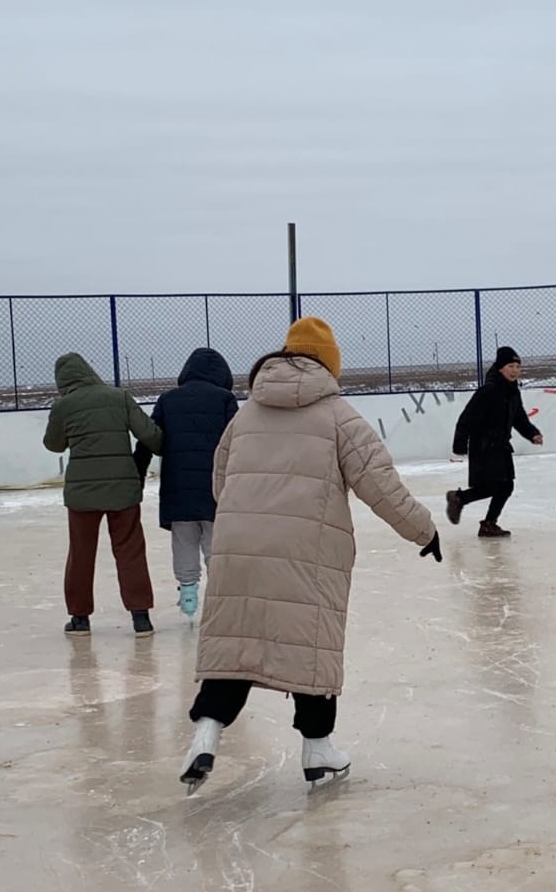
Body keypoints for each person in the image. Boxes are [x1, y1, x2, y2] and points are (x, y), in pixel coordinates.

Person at [179, 316, 441, 794]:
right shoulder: (339, 416)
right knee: (310, 645)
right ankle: (318, 750)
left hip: (238, 546)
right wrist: (424, 532)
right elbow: (381, 485)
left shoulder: (246, 414)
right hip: (305, 553)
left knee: (235, 646)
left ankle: (206, 733)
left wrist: (247, 521)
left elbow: (221, 480)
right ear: (330, 364)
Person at [42, 352, 163, 635]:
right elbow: (151, 436)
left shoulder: (63, 406)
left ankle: (80, 619)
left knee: (81, 554)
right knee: (130, 550)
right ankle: (140, 616)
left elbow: (54, 445)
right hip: (123, 490)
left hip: (82, 494)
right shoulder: (119, 397)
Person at [133, 348, 238, 621]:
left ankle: (188, 592)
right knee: (216, 543)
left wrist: (137, 474)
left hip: (177, 488)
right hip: (215, 487)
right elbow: (238, 441)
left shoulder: (168, 400)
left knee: (183, 540)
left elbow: (149, 439)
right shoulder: (225, 399)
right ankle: (221, 597)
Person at [445, 346, 543, 538]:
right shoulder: (489, 390)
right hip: (484, 445)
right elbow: (466, 417)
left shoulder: (513, 391)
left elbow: (519, 418)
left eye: (517, 366)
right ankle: (460, 499)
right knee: (494, 486)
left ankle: (487, 522)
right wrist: (459, 444)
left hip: (501, 445)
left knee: (506, 486)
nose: (515, 370)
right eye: (510, 366)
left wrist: (532, 433)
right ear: (500, 368)